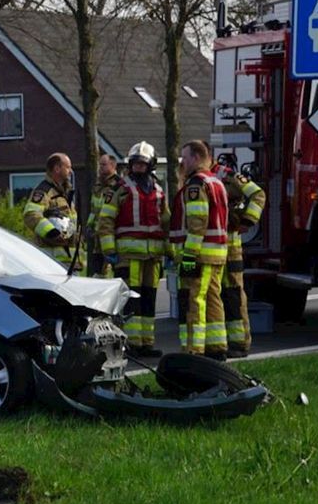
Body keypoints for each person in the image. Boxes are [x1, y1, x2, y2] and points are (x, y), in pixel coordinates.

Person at [97, 142, 169, 357]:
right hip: (128, 257)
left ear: (151, 165)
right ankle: (130, 344)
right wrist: (109, 250)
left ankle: (146, 342)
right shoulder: (119, 188)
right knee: (130, 302)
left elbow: (165, 221)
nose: (139, 167)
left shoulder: (158, 190)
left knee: (149, 300)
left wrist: (170, 251)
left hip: (153, 257)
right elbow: (106, 220)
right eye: (135, 164)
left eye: (143, 164)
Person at [203, 144, 266, 358]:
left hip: (230, 245)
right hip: (212, 246)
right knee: (216, 295)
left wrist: (247, 221)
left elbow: (258, 195)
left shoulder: (227, 175)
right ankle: (221, 342)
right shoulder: (199, 178)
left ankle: (240, 342)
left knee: (234, 294)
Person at [169, 140, 230, 360]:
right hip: (218, 252)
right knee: (213, 299)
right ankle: (217, 346)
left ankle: (194, 350)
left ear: (195, 157)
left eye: (184, 158)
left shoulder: (196, 185)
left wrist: (188, 256)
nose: (182, 163)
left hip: (201, 254)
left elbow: (197, 223)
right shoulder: (217, 182)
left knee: (195, 301)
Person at [23, 152, 78, 266]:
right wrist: (52, 233)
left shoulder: (64, 192)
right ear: (57, 168)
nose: (71, 171)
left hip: (69, 261)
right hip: (52, 262)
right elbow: (31, 214)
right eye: (67, 167)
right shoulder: (44, 191)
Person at [87, 153, 121, 277]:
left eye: (103, 165)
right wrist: (89, 225)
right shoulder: (97, 185)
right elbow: (94, 209)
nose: (100, 168)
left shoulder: (119, 185)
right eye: (99, 165)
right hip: (97, 237)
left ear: (112, 165)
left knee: (118, 272)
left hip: (112, 237)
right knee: (97, 273)